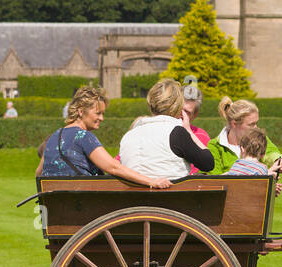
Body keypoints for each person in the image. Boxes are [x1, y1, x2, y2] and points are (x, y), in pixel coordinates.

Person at [36, 85, 171, 188]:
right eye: (98, 113)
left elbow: (39, 173)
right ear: (81, 112)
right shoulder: (83, 136)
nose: (102, 118)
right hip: (82, 205)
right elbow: (113, 168)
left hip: (53, 207)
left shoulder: (53, 136)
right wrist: (151, 181)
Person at [118, 79, 215, 179]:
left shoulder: (129, 135)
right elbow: (208, 164)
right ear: (177, 106)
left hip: (132, 193)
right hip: (170, 193)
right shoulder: (177, 133)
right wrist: (188, 131)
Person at [209, 97, 282, 175]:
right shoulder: (214, 146)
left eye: (256, 123)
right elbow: (214, 182)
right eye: (251, 124)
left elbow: (271, 152)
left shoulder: (258, 138)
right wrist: (264, 176)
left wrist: (277, 160)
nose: (256, 128)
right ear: (234, 124)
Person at [227, 129, 282, 195]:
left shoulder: (236, 165)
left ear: (242, 149)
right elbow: (262, 191)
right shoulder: (262, 168)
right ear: (263, 154)